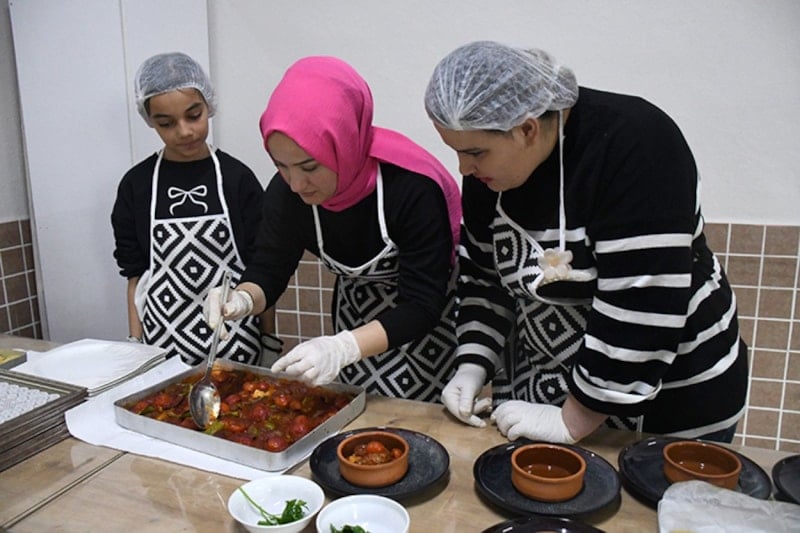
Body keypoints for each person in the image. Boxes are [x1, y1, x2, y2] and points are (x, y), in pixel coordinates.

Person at [424, 41, 748, 443]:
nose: (464, 168)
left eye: (475, 151)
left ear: (527, 129)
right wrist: (473, 363)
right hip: (552, 385)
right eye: (457, 152)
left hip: (669, 390)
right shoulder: (488, 175)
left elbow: (643, 298)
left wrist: (574, 420)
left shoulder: (636, 143)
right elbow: (483, 276)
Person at [204, 56, 462, 401]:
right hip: (353, 318)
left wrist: (344, 347)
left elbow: (421, 304)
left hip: (423, 331)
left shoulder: (411, 189)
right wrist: (243, 298)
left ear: (344, 144)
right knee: (358, 410)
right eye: (281, 166)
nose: (296, 183)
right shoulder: (286, 193)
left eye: (310, 166)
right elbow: (269, 267)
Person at [111, 52, 280, 366]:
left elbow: (260, 268)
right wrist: (135, 343)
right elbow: (135, 274)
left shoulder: (237, 179)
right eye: (166, 123)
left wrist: (269, 339)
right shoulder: (137, 185)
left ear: (208, 106)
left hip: (236, 345)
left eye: (194, 115)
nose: (184, 131)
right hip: (162, 350)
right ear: (150, 121)